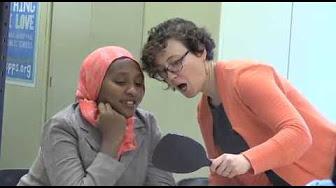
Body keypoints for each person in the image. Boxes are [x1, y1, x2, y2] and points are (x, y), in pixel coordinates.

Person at [141, 17, 336, 186]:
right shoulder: (204, 112)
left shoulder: (247, 77)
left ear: (200, 50)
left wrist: (246, 160)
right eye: (162, 72)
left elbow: (299, 134)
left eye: (175, 62)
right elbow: (222, 175)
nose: (171, 76)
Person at [17, 46, 175, 186]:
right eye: (121, 82)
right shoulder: (62, 126)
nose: (133, 90)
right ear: (95, 83)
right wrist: (112, 142)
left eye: (139, 83)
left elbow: (161, 181)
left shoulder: (147, 123)